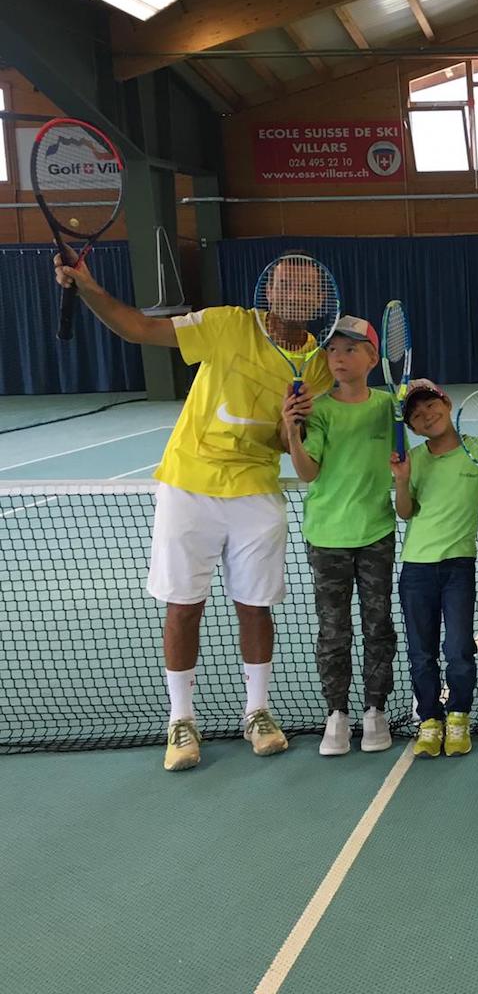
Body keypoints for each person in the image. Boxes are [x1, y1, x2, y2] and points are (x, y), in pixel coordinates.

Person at [54, 250, 331, 772]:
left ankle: (258, 712)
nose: (294, 293)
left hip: (255, 491)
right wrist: (87, 286)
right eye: (284, 284)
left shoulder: (318, 365)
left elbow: (283, 442)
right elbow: (138, 328)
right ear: (268, 291)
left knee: (256, 606)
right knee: (183, 606)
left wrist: (290, 422)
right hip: (189, 484)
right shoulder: (226, 324)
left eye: (306, 287)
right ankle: (181, 719)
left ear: (320, 300)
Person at [284, 316, 398, 756]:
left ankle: (375, 710)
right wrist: (292, 431)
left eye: (350, 349)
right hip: (327, 536)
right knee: (333, 631)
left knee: (378, 626)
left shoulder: (388, 406)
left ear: (372, 358)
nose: (338, 358)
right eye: (332, 350)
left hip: (376, 532)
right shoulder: (319, 409)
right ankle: (336, 714)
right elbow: (307, 472)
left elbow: (419, 434)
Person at [392, 380, 478, 758]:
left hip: (459, 567)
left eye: (431, 406)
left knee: (459, 648)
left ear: (446, 403)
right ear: (412, 428)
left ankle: (459, 715)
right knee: (421, 653)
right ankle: (430, 719)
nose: (427, 416)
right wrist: (401, 480)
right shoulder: (414, 458)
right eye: (416, 416)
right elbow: (405, 512)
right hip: (416, 569)